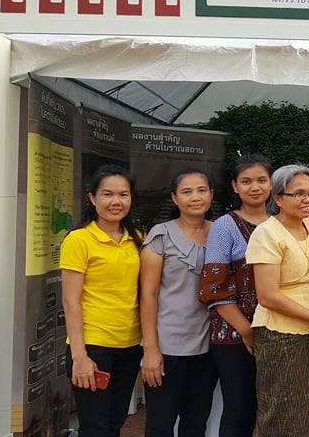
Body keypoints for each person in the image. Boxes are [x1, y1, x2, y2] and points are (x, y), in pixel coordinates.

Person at [246, 164, 309, 436]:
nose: (307, 200)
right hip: (280, 333)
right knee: (283, 412)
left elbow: (305, 272)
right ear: (278, 198)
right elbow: (267, 296)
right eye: (299, 194)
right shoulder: (265, 233)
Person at [60, 164, 144, 437]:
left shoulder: (137, 239)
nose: (116, 201)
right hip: (93, 347)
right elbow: (70, 301)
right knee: (94, 427)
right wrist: (79, 357)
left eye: (123, 194)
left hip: (129, 345)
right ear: (92, 198)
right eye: (107, 194)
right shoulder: (79, 240)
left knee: (115, 423)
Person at [198, 154, 272, 437]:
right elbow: (214, 288)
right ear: (235, 186)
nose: (255, 187)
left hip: (274, 330)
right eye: (247, 181)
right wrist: (246, 330)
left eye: (262, 180)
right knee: (239, 408)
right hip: (233, 333)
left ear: (271, 184)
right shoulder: (225, 226)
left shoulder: (279, 224)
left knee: (267, 407)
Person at [140, 169, 218, 437]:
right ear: (174, 198)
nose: (195, 197)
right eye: (187, 191)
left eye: (202, 190)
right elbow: (148, 295)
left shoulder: (221, 234)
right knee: (160, 425)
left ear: (211, 195)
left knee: (196, 424)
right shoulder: (160, 235)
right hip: (167, 346)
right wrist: (151, 350)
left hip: (207, 347)